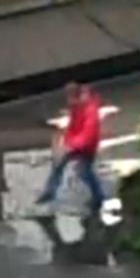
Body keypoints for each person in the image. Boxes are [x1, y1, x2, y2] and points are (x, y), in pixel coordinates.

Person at [36, 82, 106, 211]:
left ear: (77, 96)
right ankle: (49, 193)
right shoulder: (77, 107)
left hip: (86, 146)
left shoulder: (89, 110)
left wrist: (70, 146)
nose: (68, 102)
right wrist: (66, 142)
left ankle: (99, 197)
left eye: (70, 98)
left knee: (84, 172)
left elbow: (89, 134)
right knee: (59, 165)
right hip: (75, 143)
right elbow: (73, 126)